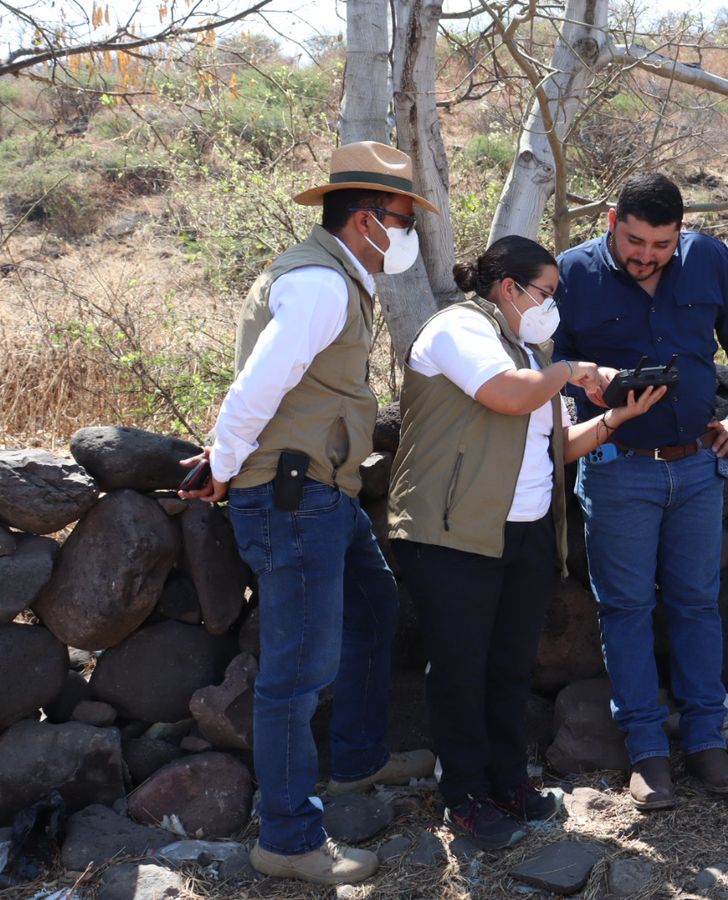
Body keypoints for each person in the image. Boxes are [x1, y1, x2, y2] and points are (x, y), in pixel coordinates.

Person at [178, 142, 441, 885]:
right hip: (293, 497)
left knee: (373, 604)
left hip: (323, 491)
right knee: (295, 676)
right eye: (401, 220)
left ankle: (356, 761)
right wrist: (224, 464)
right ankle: (289, 840)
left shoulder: (331, 275)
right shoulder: (322, 286)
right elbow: (261, 382)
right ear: (366, 222)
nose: (407, 235)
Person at [387, 236, 665, 847]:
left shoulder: (526, 348)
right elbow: (508, 396)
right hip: (458, 531)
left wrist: (617, 417)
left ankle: (509, 783)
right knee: (461, 668)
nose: (552, 306)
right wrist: (570, 370)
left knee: (510, 665)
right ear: (509, 288)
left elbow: (559, 445)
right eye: (545, 293)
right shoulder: (457, 329)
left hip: (528, 527)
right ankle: (463, 795)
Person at [553, 172, 728, 810]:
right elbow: (546, 370)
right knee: (624, 610)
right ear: (612, 219)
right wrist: (591, 390)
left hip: (700, 466)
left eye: (661, 244)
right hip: (617, 466)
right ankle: (647, 754)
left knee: (698, 604)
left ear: (682, 233)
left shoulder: (709, 258)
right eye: (635, 240)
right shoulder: (571, 273)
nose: (646, 255)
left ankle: (705, 743)